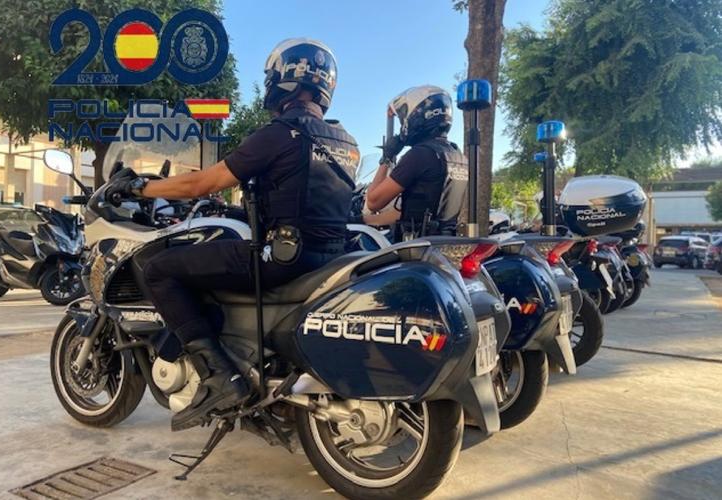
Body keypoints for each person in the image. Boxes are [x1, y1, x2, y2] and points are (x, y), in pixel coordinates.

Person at [104, 38, 359, 431]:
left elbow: (202, 183)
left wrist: (140, 188)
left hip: (281, 259)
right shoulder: (347, 143)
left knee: (159, 269)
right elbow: (305, 199)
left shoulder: (280, 133)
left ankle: (219, 376)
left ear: (283, 79)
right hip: (331, 255)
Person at [364, 86, 468, 239]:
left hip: (417, 245)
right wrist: (364, 220)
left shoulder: (420, 155)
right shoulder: (458, 156)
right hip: (446, 241)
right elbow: (410, 213)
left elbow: (373, 202)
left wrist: (386, 158)